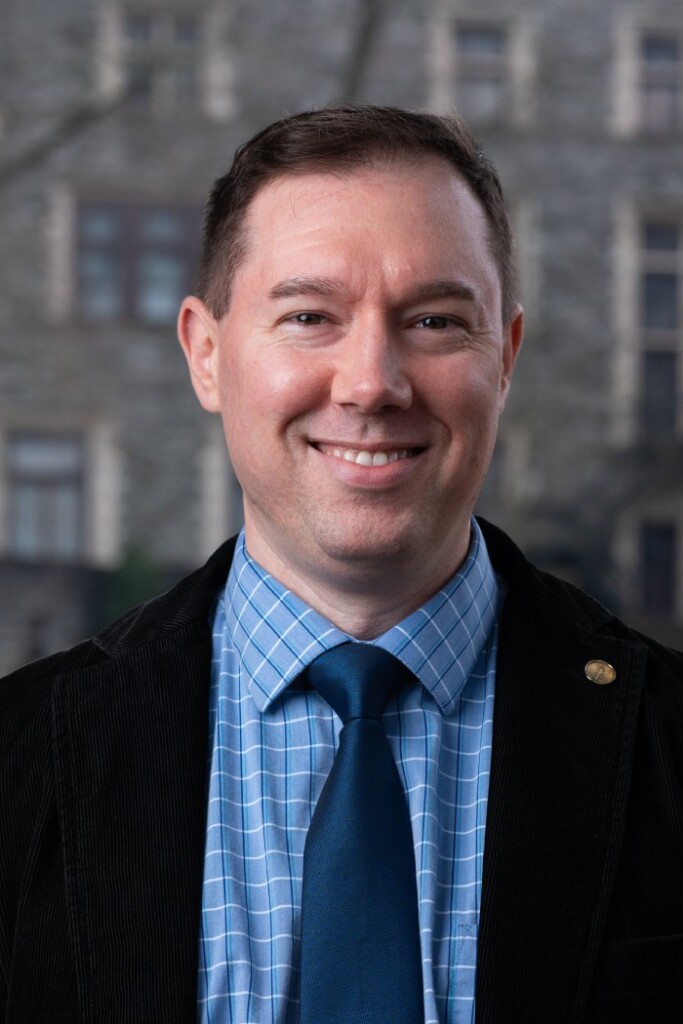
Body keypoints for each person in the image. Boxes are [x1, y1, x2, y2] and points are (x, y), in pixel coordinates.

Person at [1, 104, 681, 1024]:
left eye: (435, 320)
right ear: (206, 353)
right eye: (309, 315)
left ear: (505, 357)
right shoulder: (19, 756)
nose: (370, 383)